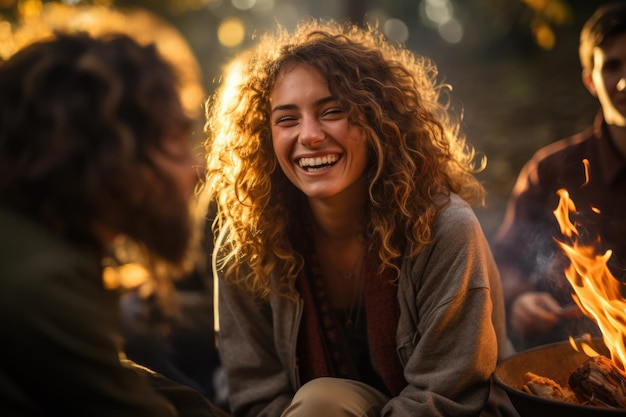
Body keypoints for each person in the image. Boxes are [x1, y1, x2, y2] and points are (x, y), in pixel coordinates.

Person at [203, 19, 515, 417]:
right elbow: (256, 396)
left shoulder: (444, 228)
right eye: (287, 119)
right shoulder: (247, 241)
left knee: (321, 404)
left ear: (377, 121)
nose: (310, 135)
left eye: (332, 111)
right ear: (265, 136)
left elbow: (451, 396)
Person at [0, 32, 227, 417]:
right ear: (110, 150)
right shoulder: (42, 278)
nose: (196, 167)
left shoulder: (38, 242)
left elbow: (110, 372)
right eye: (175, 140)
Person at [491, 2, 626, 351]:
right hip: (575, 363)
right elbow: (504, 262)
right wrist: (518, 303)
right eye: (612, 66)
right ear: (590, 81)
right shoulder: (552, 172)